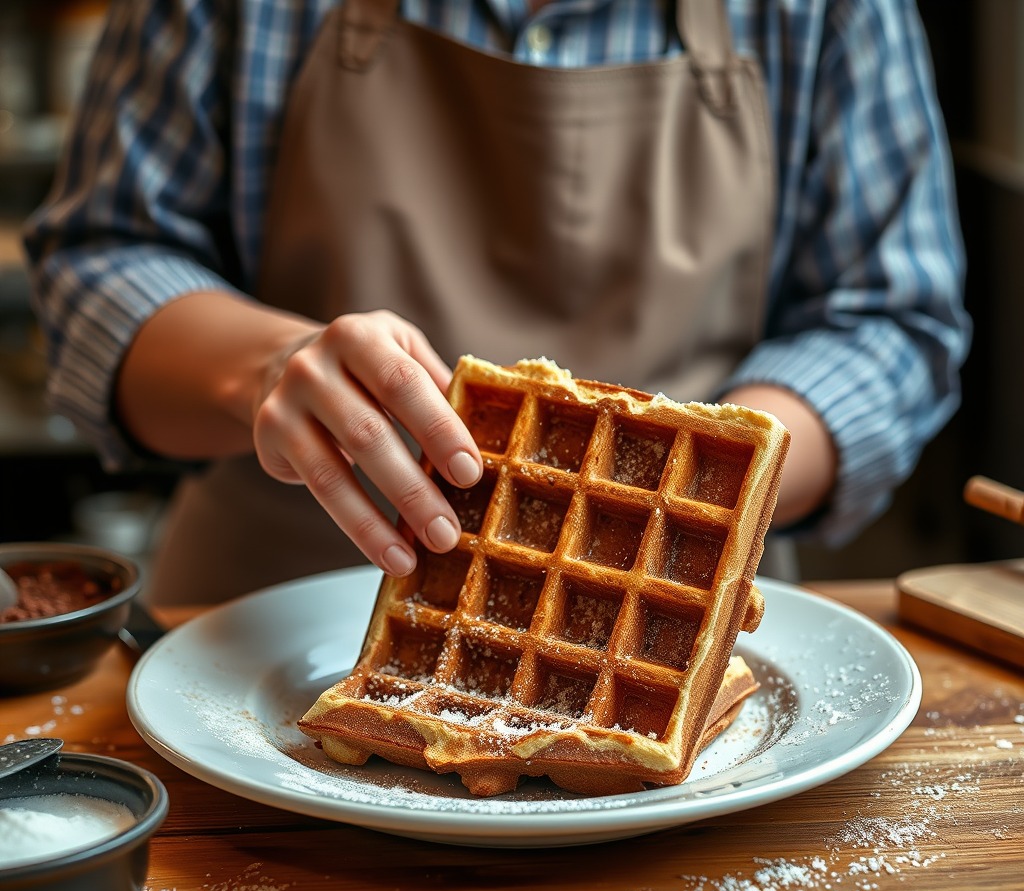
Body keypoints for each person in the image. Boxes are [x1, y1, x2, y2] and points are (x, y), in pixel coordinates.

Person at [23, 0, 970, 603]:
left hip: (674, 604)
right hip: (258, 614)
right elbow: (97, 264)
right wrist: (266, 368)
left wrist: (698, 479)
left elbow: (893, 320)